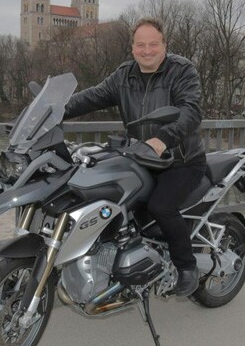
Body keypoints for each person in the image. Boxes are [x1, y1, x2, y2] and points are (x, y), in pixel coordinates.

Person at [64, 18, 206, 296]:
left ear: (164, 45)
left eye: (154, 44)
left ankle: (187, 267)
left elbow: (190, 111)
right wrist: (53, 112)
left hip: (181, 160)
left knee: (161, 206)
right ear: (132, 49)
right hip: (141, 159)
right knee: (113, 203)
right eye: (141, 44)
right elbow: (91, 97)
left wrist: (162, 140)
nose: (147, 50)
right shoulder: (124, 75)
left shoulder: (182, 71)